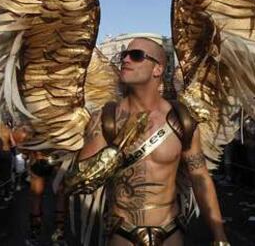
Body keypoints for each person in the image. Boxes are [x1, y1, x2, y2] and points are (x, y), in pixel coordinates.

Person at [66, 38, 229, 246]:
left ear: (157, 69)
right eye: (123, 55)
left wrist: (219, 234)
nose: (125, 60)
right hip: (122, 233)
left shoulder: (182, 120)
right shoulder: (107, 118)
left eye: (136, 56)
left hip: (170, 231)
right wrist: (108, 157)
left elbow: (200, 178)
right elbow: (76, 181)